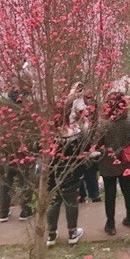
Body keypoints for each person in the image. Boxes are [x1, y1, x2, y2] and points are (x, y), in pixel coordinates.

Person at [44, 92, 92, 247]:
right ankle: (72, 232)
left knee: (54, 201)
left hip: (52, 173)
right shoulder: (75, 134)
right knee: (71, 200)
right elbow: (85, 148)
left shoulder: (48, 136)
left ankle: (51, 234)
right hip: (71, 172)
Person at [0, 77, 38, 222]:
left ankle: (3, 211)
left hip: (4, 145)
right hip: (24, 145)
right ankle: (26, 210)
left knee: (5, 179)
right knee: (24, 179)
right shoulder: (30, 103)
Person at [96, 91, 130, 235]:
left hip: (108, 161)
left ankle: (110, 224)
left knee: (110, 193)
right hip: (126, 161)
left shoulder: (103, 125)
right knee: (128, 190)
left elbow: (98, 143)